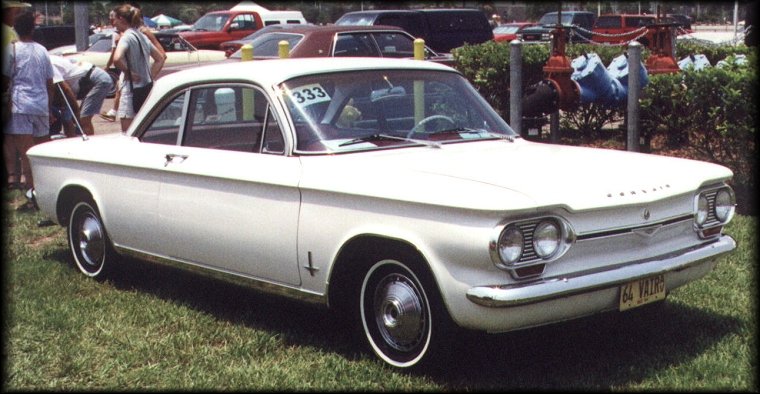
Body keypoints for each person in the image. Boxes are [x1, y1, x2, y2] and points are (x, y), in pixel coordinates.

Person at [2, 11, 54, 199]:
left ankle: (33, 193)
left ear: (15, 29)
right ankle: (46, 191)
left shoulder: (11, 49)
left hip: (20, 105)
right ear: (32, 29)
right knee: (43, 153)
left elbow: (5, 79)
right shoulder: (42, 50)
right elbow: (50, 82)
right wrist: (49, 108)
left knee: (27, 155)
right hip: (40, 105)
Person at [110, 4, 166, 131]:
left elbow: (117, 58)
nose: (114, 23)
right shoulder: (142, 36)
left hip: (130, 91)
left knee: (127, 132)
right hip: (146, 88)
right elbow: (160, 58)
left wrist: (128, 72)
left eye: (115, 19)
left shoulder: (126, 37)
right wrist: (149, 76)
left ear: (122, 19)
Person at [50, 55, 114, 136]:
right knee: (69, 118)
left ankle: (87, 145)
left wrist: (76, 113)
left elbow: (66, 90)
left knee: (83, 120)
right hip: (86, 79)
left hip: (98, 80)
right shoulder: (49, 59)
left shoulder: (49, 63)